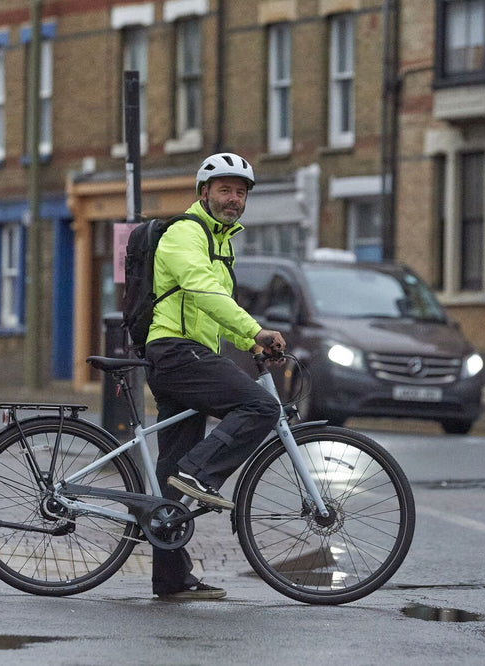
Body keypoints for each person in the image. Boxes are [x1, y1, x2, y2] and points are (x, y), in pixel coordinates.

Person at [144, 152, 286, 601]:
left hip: (189, 354)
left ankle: (171, 579)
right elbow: (201, 291)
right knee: (262, 406)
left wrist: (251, 344)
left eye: (241, 192)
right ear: (203, 192)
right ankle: (201, 475)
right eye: (225, 190)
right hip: (176, 353)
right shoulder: (185, 234)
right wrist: (255, 329)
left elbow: (215, 308)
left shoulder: (220, 241)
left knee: (170, 474)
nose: (233, 199)